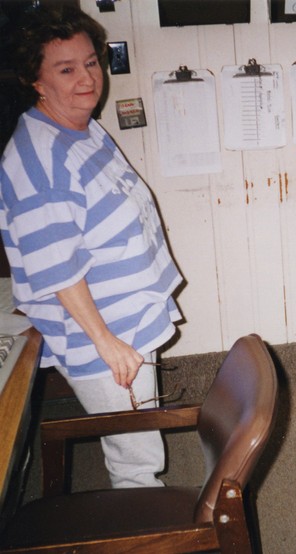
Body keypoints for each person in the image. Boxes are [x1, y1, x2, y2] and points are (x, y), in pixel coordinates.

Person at [0, 6, 183, 488]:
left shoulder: (82, 126)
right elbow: (57, 268)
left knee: (138, 434)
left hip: (125, 315)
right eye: (65, 69)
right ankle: (146, 531)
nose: (86, 78)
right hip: (102, 333)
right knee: (135, 461)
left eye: (90, 63)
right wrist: (107, 344)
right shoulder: (38, 160)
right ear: (35, 81)